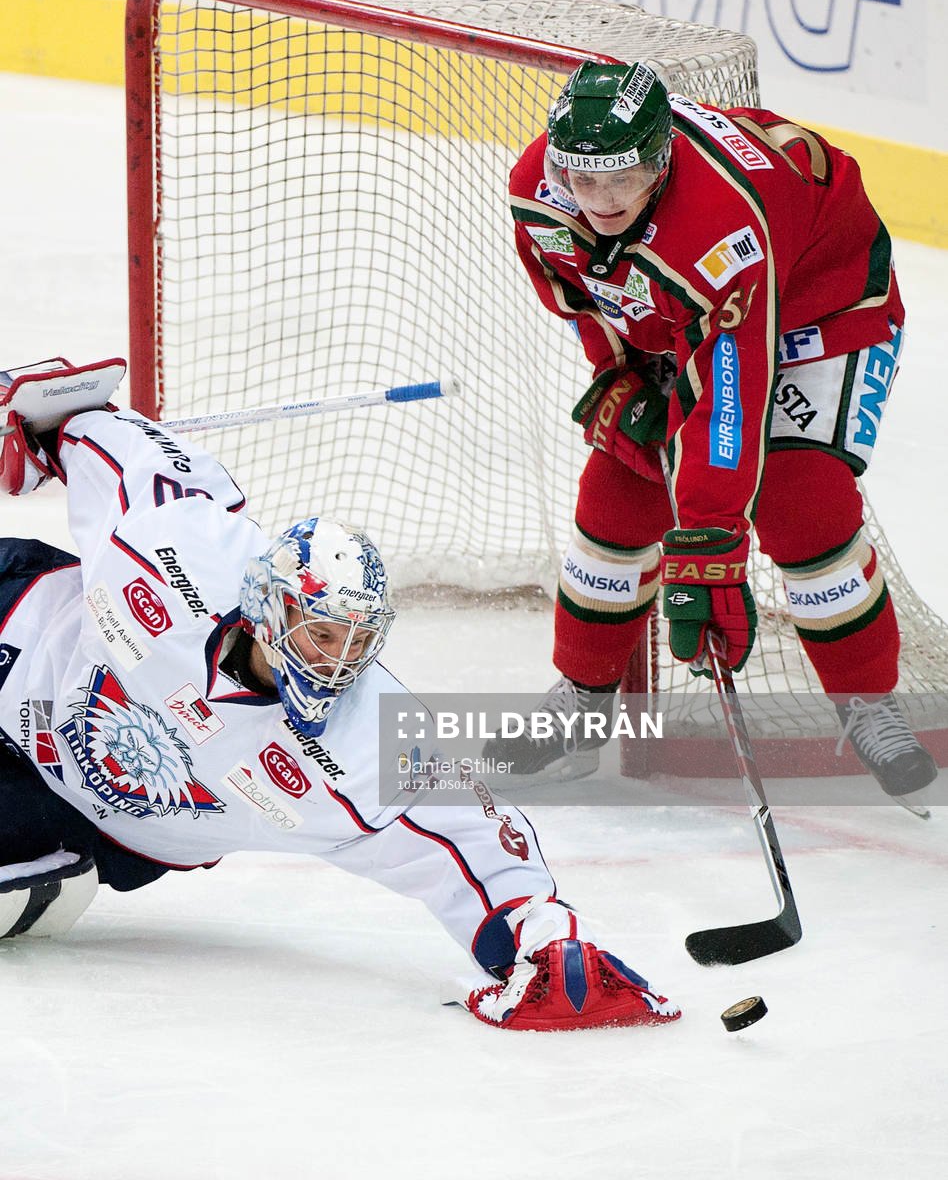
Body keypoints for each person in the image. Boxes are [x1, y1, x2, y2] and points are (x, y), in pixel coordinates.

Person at [0, 356, 679, 1032]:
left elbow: (470, 836)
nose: (338, 661)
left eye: (357, 641)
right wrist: (43, 419)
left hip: (77, 813)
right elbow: (108, 441)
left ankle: (44, 876)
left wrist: (546, 941)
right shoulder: (178, 549)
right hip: (18, 634)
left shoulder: (367, 742)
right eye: (321, 632)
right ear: (268, 606)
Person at [488, 60, 938, 803]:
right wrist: (619, 376)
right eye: (582, 178)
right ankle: (582, 696)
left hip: (823, 308)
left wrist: (708, 549)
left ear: (661, 161)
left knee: (801, 499)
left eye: (621, 180)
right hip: (694, 314)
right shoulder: (539, 191)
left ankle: (867, 703)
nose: (599, 202)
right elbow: (588, 301)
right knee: (619, 489)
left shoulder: (719, 231)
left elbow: (732, 398)